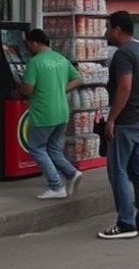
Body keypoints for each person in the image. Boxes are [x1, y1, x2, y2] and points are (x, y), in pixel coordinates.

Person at [101, 11, 139, 239]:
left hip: (126, 121)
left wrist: (112, 118)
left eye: (108, 28)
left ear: (117, 29)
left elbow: (124, 87)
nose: (106, 33)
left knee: (118, 171)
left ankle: (125, 223)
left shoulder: (123, 54)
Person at [19, 29, 84, 200]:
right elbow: (79, 79)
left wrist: (20, 87)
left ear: (34, 43)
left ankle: (56, 186)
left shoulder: (35, 62)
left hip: (43, 113)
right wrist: (61, 89)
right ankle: (71, 173)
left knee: (37, 148)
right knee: (54, 149)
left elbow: (29, 88)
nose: (27, 48)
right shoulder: (60, 59)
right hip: (62, 112)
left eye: (28, 44)